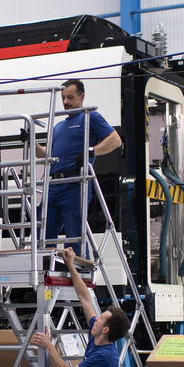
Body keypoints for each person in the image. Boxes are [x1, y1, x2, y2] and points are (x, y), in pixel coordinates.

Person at [36, 79, 122, 256]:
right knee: (42, 233)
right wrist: (31, 141)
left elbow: (115, 140)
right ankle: (45, 267)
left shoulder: (90, 116)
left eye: (70, 97)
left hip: (75, 183)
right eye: (63, 98)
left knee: (75, 234)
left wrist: (91, 151)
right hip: (53, 185)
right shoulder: (58, 126)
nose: (66, 102)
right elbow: (46, 153)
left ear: (82, 97)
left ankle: (82, 273)